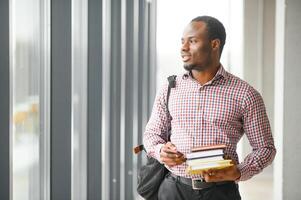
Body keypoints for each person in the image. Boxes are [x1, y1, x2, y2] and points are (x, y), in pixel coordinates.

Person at [143, 15, 276, 200]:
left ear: (214, 44)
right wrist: (160, 151)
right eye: (182, 41)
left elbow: (265, 148)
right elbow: (151, 134)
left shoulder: (245, 94)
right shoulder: (170, 88)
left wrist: (239, 171)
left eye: (192, 41)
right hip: (173, 190)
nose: (183, 47)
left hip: (220, 193)